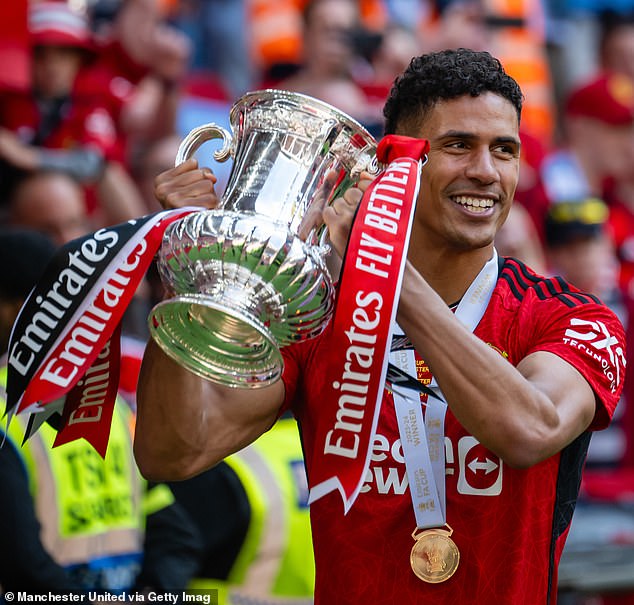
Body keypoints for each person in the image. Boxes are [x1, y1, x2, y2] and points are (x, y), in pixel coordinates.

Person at [134, 48, 626, 604]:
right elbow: (170, 454)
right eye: (458, 145)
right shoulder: (317, 312)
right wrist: (188, 273)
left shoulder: (570, 316)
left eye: (504, 151)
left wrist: (389, 276)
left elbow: (529, 431)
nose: (486, 172)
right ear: (395, 165)